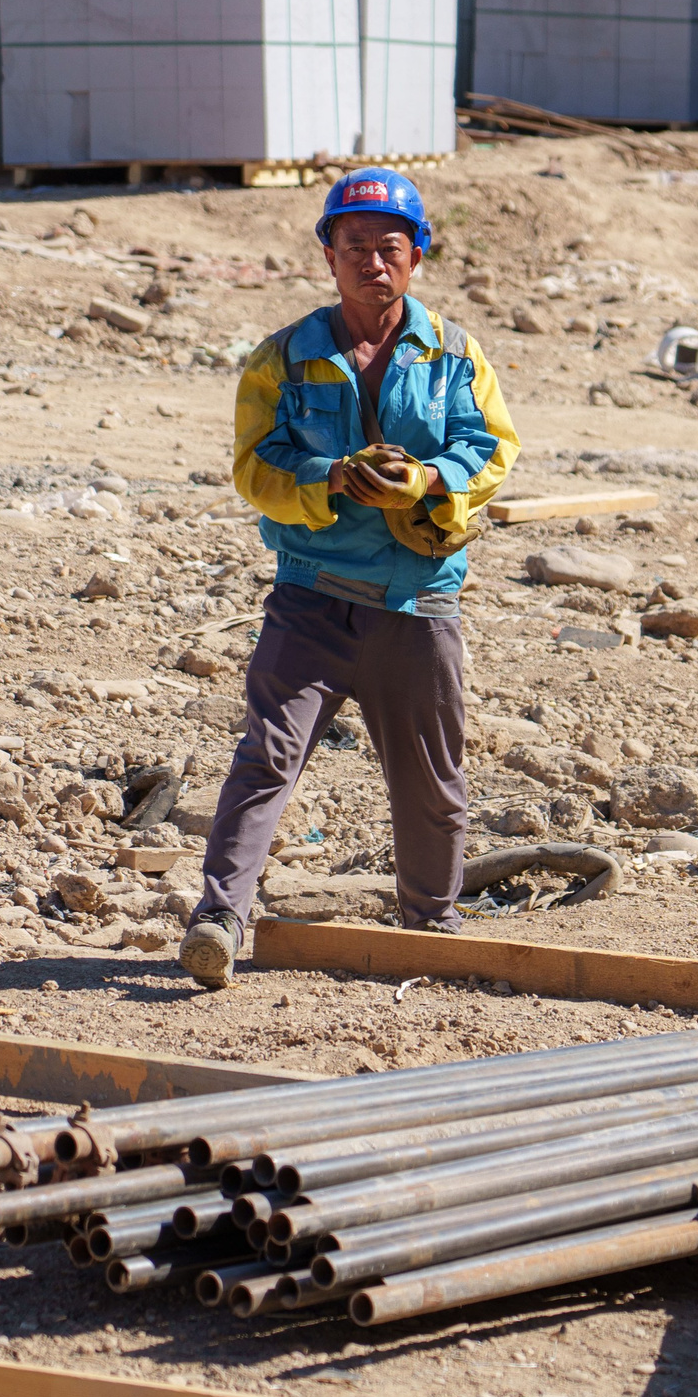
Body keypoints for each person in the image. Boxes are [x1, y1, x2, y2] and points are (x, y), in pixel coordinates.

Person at [179, 167, 520, 990]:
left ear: (417, 256)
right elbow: (255, 468)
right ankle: (220, 917)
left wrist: (431, 481)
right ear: (327, 253)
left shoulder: (454, 354)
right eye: (355, 245)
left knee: (432, 779)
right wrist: (331, 475)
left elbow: (493, 448)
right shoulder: (282, 360)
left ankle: (431, 927)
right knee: (267, 756)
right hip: (312, 597)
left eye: (389, 247)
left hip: (417, 601)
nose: (372, 261)